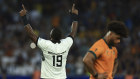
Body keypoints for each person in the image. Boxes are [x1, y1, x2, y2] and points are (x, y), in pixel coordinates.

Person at [19, 3, 78, 79]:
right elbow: (73, 32)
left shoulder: (46, 44)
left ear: (50, 36)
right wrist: (75, 17)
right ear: (61, 38)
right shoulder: (65, 43)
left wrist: (24, 17)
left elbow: (31, 35)